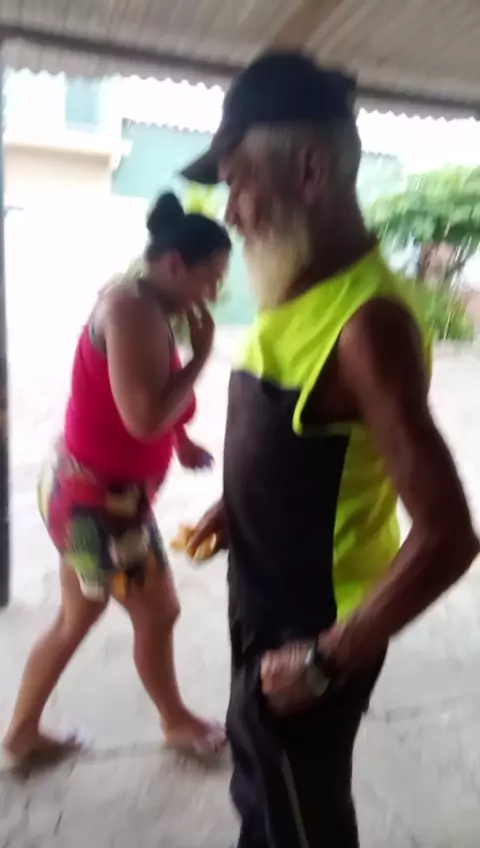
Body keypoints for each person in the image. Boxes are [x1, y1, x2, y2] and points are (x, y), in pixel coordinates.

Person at [181, 52, 479, 848]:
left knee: (302, 819)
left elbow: (449, 536)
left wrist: (326, 659)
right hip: (264, 607)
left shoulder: (368, 326)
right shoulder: (295, 288)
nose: (230, 211)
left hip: (314, 629)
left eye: (239, 182)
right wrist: (239, 503)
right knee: (265, 793)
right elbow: (307, 442)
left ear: (309, 171)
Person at [3, 192, 232, 767]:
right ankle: (174, 720)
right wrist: (202, 358)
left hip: (84, 490)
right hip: (101, 506)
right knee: (158, 612)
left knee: (76, 616)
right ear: (174, 264)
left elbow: (141, 392)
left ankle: (20, 735)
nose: (214, 294)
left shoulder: (144, 302)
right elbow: (144, 417)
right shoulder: (132, 311)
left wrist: (180, 441)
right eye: (210, 278)